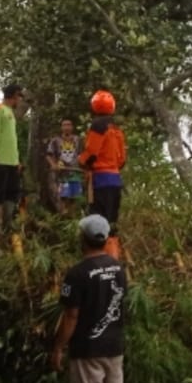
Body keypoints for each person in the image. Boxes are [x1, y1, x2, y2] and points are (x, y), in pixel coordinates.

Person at [50, 214, 131, 383]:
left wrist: (58, 348)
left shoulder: (76, 274)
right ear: (105, 239)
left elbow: (71, 316)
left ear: (82, 239)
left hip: (87, 349)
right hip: (114, 346)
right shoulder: (119, 268)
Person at [79, 89, 127, 260]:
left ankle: (99, 261)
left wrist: (82, 161)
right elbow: (122, 159)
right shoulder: (116, 130)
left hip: (100, 180)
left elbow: (91, 153)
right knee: (112, 222)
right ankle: (114, 260)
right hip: (115, 180)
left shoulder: (98, 127)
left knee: (98, 221)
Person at [0, 83, 24, 234]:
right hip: (1, 159)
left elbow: (11, 139)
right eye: (19, 97)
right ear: (14, 96)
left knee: (12, 192)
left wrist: (17, 160)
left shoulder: (10, 113)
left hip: (12, 161)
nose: (19, 101)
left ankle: (8, 222)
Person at [46, 118, 84, 215]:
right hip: (62, 174)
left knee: (75, 197)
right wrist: (53, 165)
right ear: (61, 127)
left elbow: (82, 154)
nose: (67, 127)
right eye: (64, 125)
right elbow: (49, 155)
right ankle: (64, 217)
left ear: (72, 127)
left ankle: (73, 218)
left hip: (76, 173)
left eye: (69, 125)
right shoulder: (55, 141)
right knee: (64, 196)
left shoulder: (78, 140)